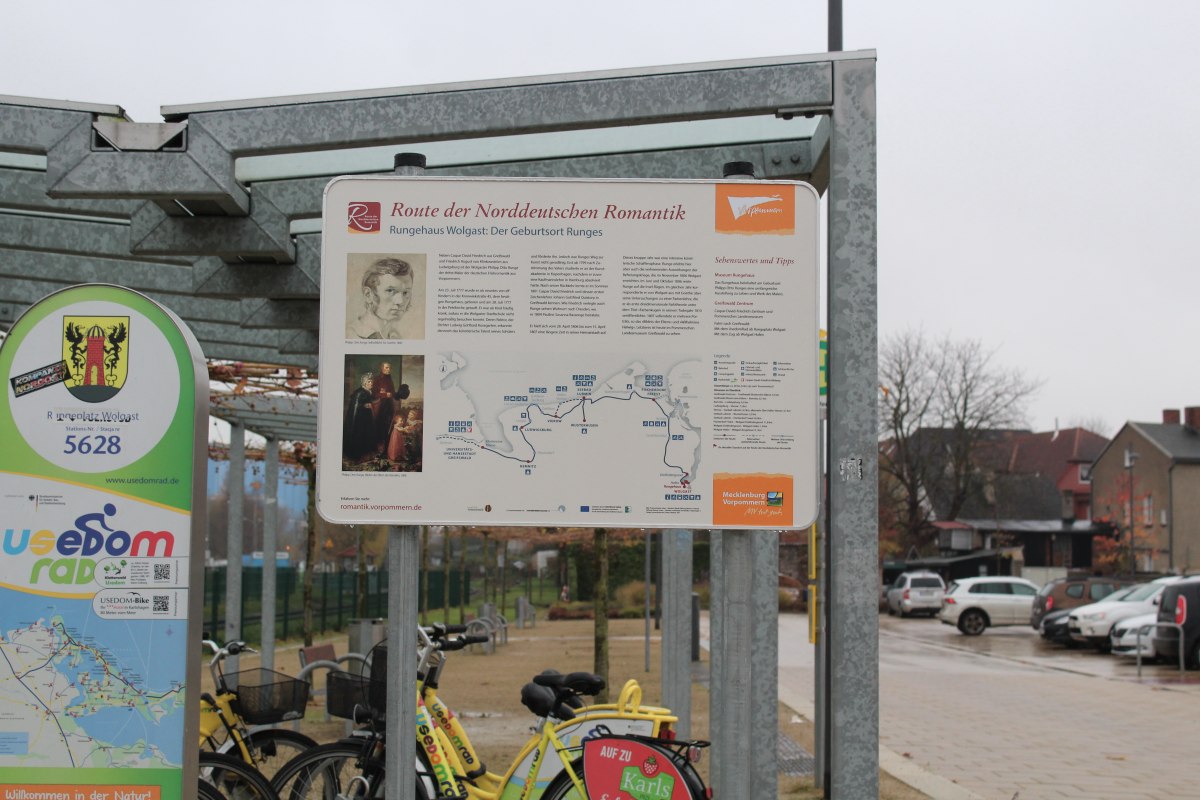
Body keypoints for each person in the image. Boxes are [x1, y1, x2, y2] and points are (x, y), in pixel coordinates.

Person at [347, 257, 416, 339]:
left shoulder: (395, 337)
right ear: (368, 295)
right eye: (390, 291)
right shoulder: (351, 335)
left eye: (405, 292)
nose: (400, 301)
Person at [343, 372, 377, 461]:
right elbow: (355, 406)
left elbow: (371, 401)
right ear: (365, 383)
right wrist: (363, 406)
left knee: (368, 434)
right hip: (359, 420)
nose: (371, 383)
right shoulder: (359, 392)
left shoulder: (368, 391)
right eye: (369, 382)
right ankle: (357, 455)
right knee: (360, 435)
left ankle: (366, 453)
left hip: (366, 418)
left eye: (371, 381)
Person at [371, 361, 397, 449]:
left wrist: (392, 394)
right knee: (380, 425)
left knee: (388, 425)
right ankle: (379, 447)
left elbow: (392, 392)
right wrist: (385, 395)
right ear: (382, 368)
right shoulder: (377, 379)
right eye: (387, 368)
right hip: (380, 406)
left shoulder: (390, 379)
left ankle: (387, 447)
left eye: (389, 368)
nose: (389, 369)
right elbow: (373, 394)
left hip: (389, 405)